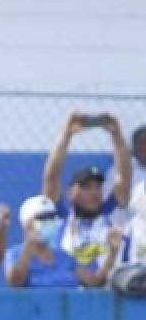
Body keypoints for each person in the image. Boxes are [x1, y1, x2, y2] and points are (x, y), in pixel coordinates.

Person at [43, 112, 131, 274]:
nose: (94, 192)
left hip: (107, 291)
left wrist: (116, 136)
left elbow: (124, 177)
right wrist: (66, 134)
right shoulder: (62, 217)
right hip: (68, 291)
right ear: (70, 192)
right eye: (86, 187)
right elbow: (51, 177)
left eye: (97, 187)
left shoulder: (110, 212)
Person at [5, 195, 118, 289]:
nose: (50, 221)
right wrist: (28, 246)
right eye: (43, 217)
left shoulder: (64, 257)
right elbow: (15, 282)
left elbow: (95, 282)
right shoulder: (14, 254)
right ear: (28, 224)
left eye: (52, 217)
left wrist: (112, 253)